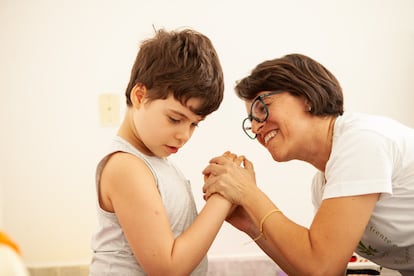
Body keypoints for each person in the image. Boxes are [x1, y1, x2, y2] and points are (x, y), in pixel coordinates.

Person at [202, 53, 414, 275]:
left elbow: (323, 267)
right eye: (251, 122)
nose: (255, 129)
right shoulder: (322, 185)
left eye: (261, 109)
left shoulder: (361, 140)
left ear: (307, 97)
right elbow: (315, 270)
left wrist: (248, 193)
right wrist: (250, 223)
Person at [90, 28, 235, 275]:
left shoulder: (156, 162)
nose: (185, 135)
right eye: (175, 119)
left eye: (194, 124)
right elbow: (167, 268)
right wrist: (224, 198)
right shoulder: (126, 167)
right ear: (140, 96)